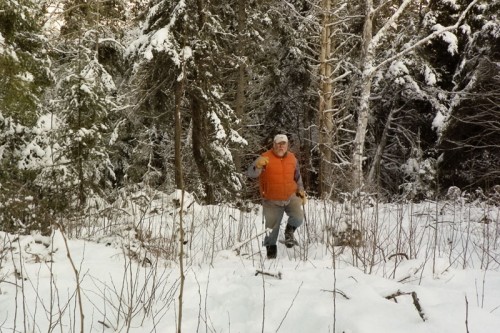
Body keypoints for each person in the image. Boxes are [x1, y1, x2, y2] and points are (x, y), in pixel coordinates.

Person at [247, 134, 306, 259]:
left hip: (290, 196)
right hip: (271, 199)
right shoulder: (265, 157)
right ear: (274, 144)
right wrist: (257, 165)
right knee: (271, 231)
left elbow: (297, 176)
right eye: (278, 143)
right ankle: (271, 257)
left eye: (283, 143)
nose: (281, 146)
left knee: (298, 217)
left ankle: (289, 232)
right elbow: (250, 173)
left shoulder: (292, 158)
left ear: (287, 145)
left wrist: (301, 191)